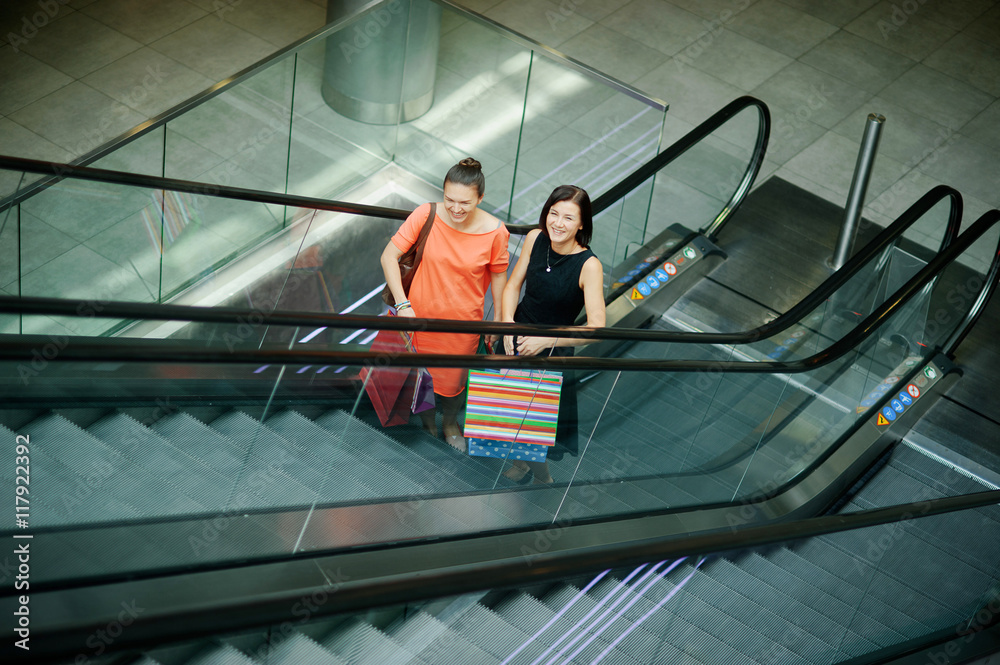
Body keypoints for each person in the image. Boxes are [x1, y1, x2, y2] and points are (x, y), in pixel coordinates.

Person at [381, 158, 509, 451]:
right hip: (419, 319)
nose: (455, 208)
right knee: (421, 380)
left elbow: (500, 281)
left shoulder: (495, 232)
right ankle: (428, 424)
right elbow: (389, 257)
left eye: (465, 202)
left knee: (452, 385)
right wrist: (403, 304)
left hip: (462, 326)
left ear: (481, 198)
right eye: (449, 199)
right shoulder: (426, 214)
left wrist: (498, 322)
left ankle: (450, 423)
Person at [500, 185, 605, 484]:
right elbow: (512, 285)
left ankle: (543, 478)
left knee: (530, 425)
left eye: (568, 218)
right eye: (553, 214)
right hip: (516, 337)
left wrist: (547, 340)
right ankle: (523, 467)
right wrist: (506, 323)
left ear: (582, 223)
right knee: (508, 414)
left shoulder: (589, 265)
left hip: (551, 351)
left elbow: (596, 328)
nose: (557, 223)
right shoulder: (535, 238)